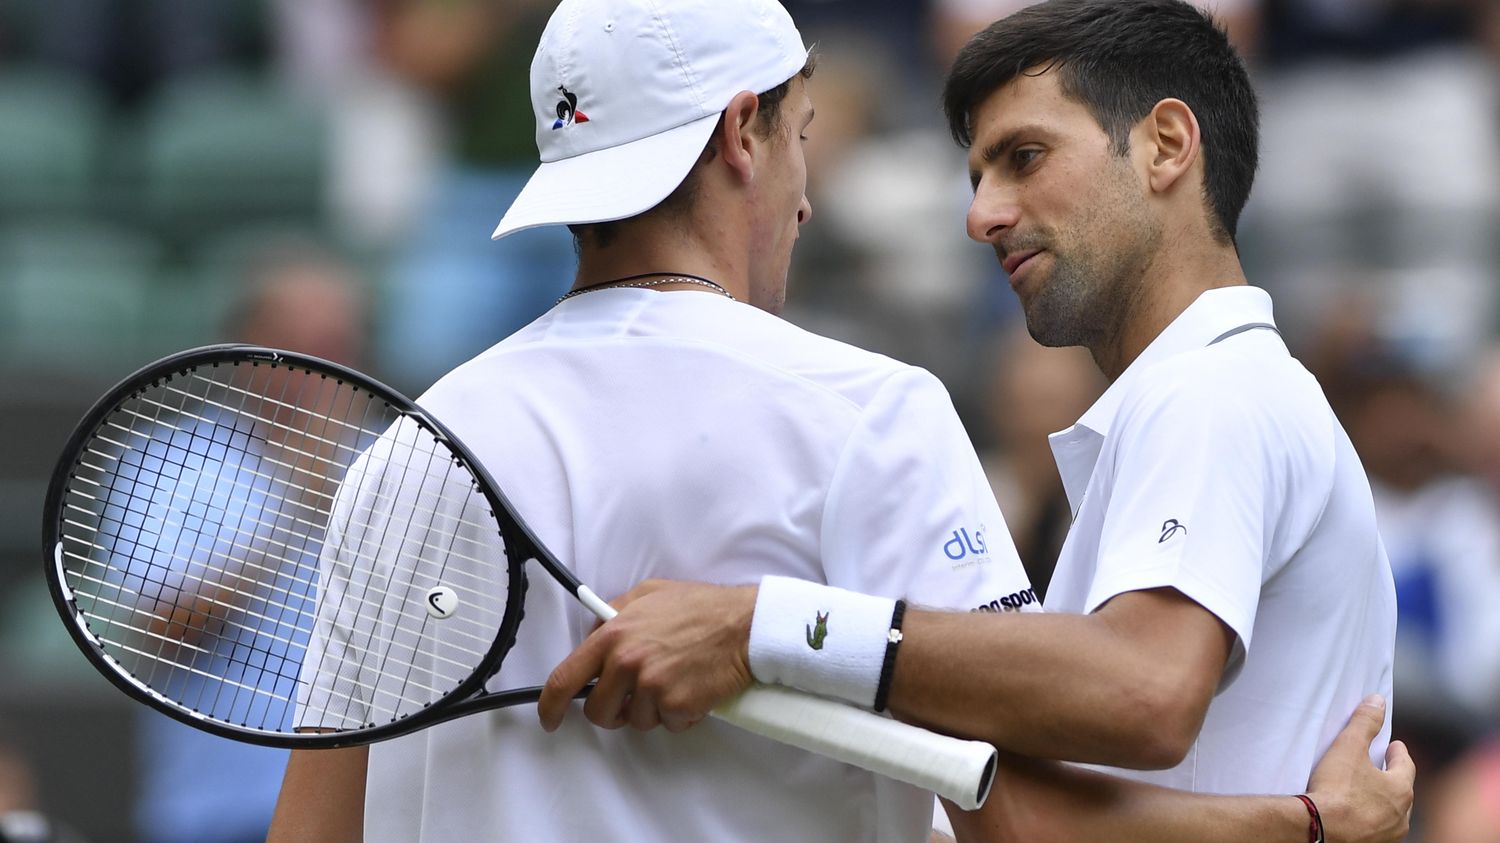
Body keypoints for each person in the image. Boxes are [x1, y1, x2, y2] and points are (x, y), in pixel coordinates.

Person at [271, 1, 1410, 841]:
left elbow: (312, 829)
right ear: (740, 138)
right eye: (803, 134)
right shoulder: (871, 415)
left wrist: (759, 629)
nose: (808, 195)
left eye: (1021, 159)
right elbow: (1019, 821)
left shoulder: (413, 447)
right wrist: (1308, 826)